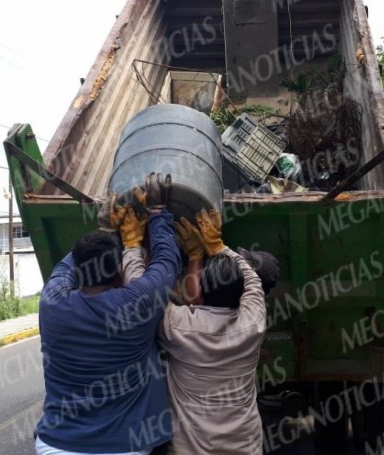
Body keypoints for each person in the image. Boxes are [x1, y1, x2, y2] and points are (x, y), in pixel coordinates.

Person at [35, 174, 181, 455]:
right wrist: (158, 212)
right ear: (118, 275)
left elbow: (67, 267)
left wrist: (104, 230)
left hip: (56, 445)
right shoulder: (136, 303)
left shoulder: (51, 303)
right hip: (125, 447)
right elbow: (166, 262)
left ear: (77, 276)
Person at [122, 208, 267, 454]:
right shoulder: (253, 324)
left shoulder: (178, 326)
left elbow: (140, 297)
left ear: (202, 290)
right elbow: (252, 279)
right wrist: (217, 245)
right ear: (240, 295)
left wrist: (131, 245)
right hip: (246, 447)